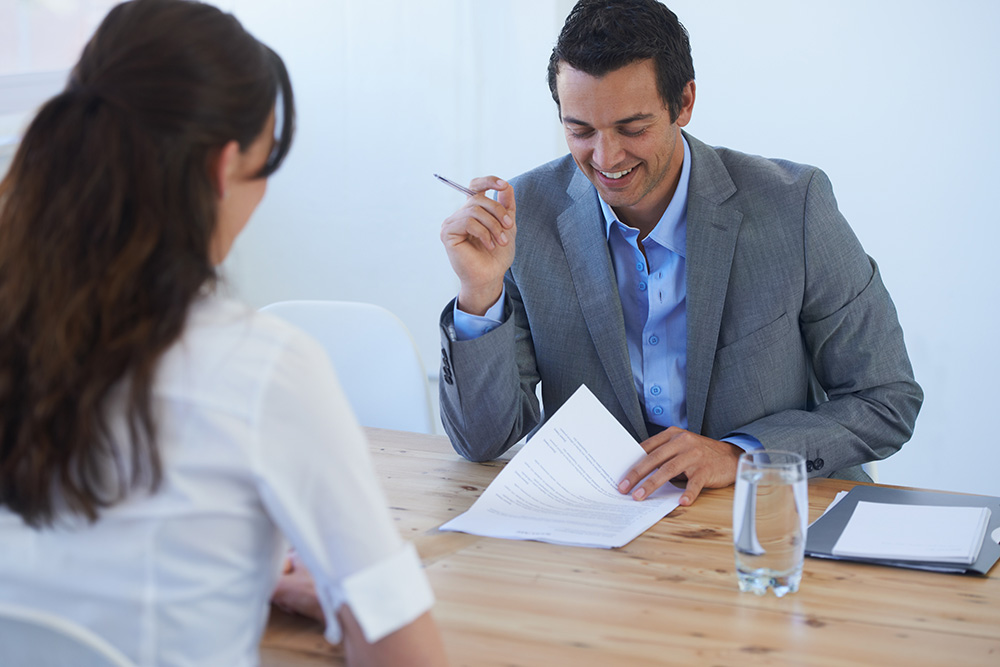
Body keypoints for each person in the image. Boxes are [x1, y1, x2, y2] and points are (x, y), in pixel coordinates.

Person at [0, 1, 445, 665]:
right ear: (222, 166)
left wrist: (235, 568)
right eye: (265, 165)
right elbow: (407, 653)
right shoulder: (264, 368)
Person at [438, 0, 922, 506]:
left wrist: (740, 455)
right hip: (605, 538)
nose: (605, 158)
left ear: (684, 102)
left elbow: (886, 399)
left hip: (769, 524)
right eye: (580, 130)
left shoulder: (793, 206)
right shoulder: (527, 219)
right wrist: (479, 292)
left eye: (632, 128)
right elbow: (482, 442)